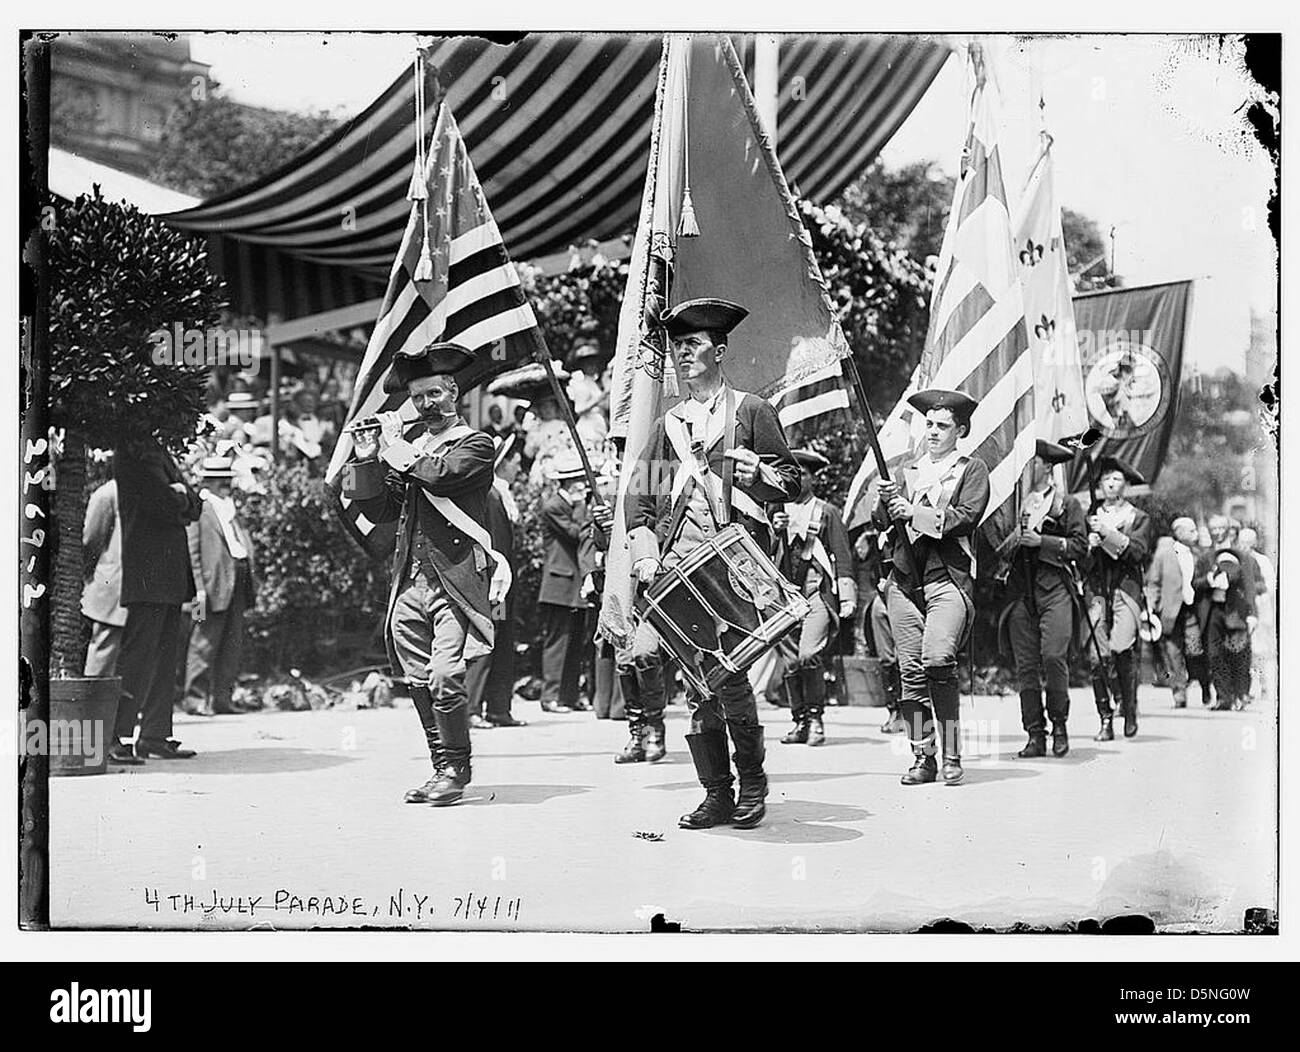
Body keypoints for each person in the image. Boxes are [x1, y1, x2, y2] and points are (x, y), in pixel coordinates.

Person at [624, 297, 801, 829]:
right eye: (677, 346)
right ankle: (716, 793)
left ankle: (751, 785)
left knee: (730, 673)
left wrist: (757, 475)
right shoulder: (666, 426)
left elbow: (793, 482)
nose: (682, 355)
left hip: (736, 563)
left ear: (719, 352)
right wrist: (644, 550)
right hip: (680, 566)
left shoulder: (750, 412)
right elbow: (641, 500)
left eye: (694, 345)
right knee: (699, 679)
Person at [341, 341, 503, 806]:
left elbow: (440, 476)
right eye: (418, 398)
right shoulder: (410, 449)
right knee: (416, 678)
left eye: (435, 394)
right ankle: (441, 768)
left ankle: (457, 767)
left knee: (445, 675)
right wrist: (367, 456)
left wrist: (394, 446)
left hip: (454, 577)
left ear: (453, 391)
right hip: (411, 581)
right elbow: (377, 507)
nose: (427, 405)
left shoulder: (475, 443)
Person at [875, 388, 990, 786]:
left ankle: (953, 753)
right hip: (905, 581)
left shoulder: (971, 469)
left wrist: (915, 512)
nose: (934, 432)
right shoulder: (907, 469)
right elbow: (883, 523)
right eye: (930, 425)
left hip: (947, 579)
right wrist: (885, 501)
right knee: (910, 674)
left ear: (960, 430)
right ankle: (923, 757)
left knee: (938, 660)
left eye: (943, 426)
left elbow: (967, 516)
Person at [112, 436, 204, 763]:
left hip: (165, 575)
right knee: (138, 659)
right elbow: (164, 503)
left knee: (164, 658)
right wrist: (180, 496)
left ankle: (154, 735)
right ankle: (116, 736)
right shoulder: (132, 453)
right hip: (149, 573)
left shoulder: (154, 452)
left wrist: (181, 496)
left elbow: (195, 502)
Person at [1001, 439, 1088, 758]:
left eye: (1032, 462)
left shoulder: (1066, 504)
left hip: (1055, 588)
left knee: (1053, 656)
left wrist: (1043, 541)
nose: (1027, 467)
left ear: (1047, 467)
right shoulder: (1014, 504)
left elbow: (1080, 546)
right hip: (1021, 591)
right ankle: (1034, 734)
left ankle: (1060, 725)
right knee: (1025, 666)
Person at [771, 448, 856, 746]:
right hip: (783, 596)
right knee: (791, 662)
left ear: (812, 479)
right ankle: (800, 721)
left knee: (809, 654)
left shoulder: (826, 512)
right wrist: (773, 531)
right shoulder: (775, 511)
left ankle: (817, 718)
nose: (796, 480)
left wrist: (846, 596)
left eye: (802, 475)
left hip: (816, 591)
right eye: (790, 475)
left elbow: (842, 556)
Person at [1080, 456, 1152, 740]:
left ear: (1125, 484)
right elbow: (1081, 561)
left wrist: (1108, 534)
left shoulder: (1138, 517)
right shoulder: (1089, 516)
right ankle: (1105, 718)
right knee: (1098, 656)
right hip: (1097, 591)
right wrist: (1089, 545)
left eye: (1117, 479)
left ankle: (1129, 708)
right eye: (1106, 479)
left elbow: (1137, 552)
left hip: (1126, 589)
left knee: (1122, 648)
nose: (1111, 484)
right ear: (1099, 484)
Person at [181, 456, 258, 716]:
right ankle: (194, 699)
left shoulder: (228, 507)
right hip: (208, 587)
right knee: (202, 642)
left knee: (232, 641)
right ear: (209, 481)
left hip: (236, 579)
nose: (226, 484)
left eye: (228, 478)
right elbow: (192, 552)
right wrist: (198, 590)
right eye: (220, 479)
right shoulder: (200, 507)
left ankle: (222, 700)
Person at [465, 434, 527, 728]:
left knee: (502, 641)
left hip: (504, 587)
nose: (518, 465)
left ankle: (499, 709)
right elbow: (495, 545)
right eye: (514, 460)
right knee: (488, 640)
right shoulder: (490, 496)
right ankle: (473, 708)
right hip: (494, 587)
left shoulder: (500, 495)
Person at [537, 453, 596, 714]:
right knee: (557, 641)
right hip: (559, 583)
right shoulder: (554, 506)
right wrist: (583, 505)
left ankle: (569, 696)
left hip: (573, 584)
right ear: (567, 482)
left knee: (574, 640)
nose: (582, 484)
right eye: (578, 480)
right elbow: (577, 533)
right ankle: (550, 696)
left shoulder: (568, 504)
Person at [1195, 516, 1257, 712]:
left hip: (1236, 610)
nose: (1217, 532)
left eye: (1221, 527)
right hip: (1213, 610)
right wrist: (1208, 580)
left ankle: (1240, 695)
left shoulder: (1242, 556)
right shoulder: (1205, 557)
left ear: (1228, 529)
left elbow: (1249, 585)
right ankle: (1223, 697)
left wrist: (1252, 613)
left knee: (1238, 653)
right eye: (1213, 528)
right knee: (1214, 655)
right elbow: (1194, 583)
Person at [1144, 516, 1202, 708]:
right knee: (1173, 652)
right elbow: (1154, 582)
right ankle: (1179, 694)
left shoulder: (1199, 554)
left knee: (1195, 649)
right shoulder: (1164, 554)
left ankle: (1203, 684)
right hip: (1170, 610)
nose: (1196, 534)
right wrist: (1151, 606)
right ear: (1179, 532)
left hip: (1193, 608)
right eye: (1191, 530)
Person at [81, 477, 126, 677]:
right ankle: (92, 704)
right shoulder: (108, 494)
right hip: (113, 583)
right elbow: (91, 539)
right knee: (105, 648)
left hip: (135, 586)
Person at [1238, 526, 1274, 706]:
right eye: (1241, 541)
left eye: (1247, 542)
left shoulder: (1262, 561)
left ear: (1254, 543)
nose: (1244, 545)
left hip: (1259, 610)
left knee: (1260, 651)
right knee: (1246, 651)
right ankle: (1248, 688)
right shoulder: (1237, 559)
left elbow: (1268, 587)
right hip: (1241, 611)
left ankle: (1264, 685)